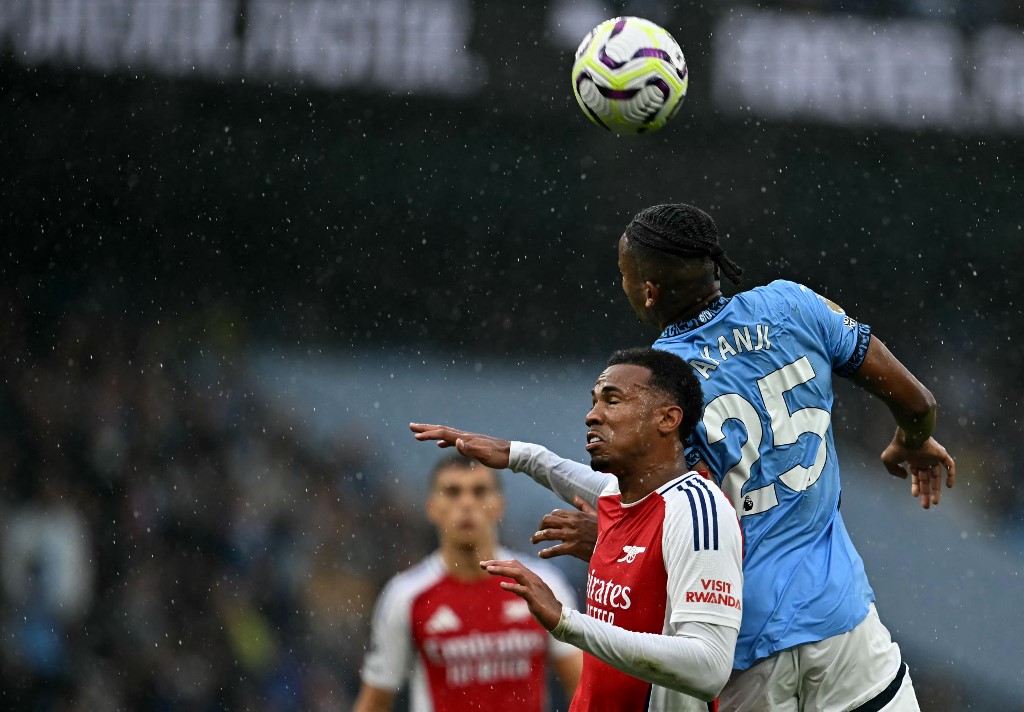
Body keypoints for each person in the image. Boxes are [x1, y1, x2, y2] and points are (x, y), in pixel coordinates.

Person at [472, 203, 957, 710]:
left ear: (648, 291)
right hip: (844, 627)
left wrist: (610, 541)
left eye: (624, 275)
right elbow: (918, 401)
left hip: (741, 648)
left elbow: (665, 511)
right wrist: (913, 437)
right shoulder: (793, 305)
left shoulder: (657, 385)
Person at [412, 346, 744, 711]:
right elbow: (578, 479)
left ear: (667, 419)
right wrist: (518, 455)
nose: (591, 416)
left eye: (612, 401)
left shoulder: (699, 510)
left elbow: (709, 667)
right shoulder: (624, 495)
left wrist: (566, 621)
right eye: (594, 402)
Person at [351, 454, 581, 712]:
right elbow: (375, 702)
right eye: (452, 492)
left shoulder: (542, 585)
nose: (467, 503)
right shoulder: (405, 597)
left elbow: (582, 687)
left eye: (479, 491)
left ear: (499, 505)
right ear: (432, 507)